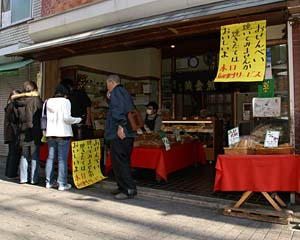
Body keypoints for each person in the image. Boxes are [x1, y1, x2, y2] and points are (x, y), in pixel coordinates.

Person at [105, 74, 137, 200]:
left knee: (120, 162)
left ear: (112, 82)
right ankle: (122, 186)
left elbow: (118, 111)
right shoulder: (124, 92)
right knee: (123, 161)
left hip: (119, 134)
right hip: (128, 134)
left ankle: (128, 189)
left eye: (107, 83)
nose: (107, 86)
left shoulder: (117, 92)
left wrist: (121, 126)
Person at [45, 83, 82, 191]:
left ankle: (49, 182)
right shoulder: (66, 102)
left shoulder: (49, 101)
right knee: (62, 159)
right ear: (65, 93)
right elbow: (67, 118)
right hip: (63, 133)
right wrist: (78, 119)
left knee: (50, 158)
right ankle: (62, 183)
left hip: (51, 133)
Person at [12, 81, 43, 184]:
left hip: (22, 131)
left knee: (24, 155)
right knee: (34, 156)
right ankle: (33, 179)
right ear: (34, 89)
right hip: (34, 131)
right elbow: (42, 114)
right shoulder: (36, 100)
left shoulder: (17, 101)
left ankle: (23, 178)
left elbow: (15, 117)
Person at [4, 90, 21, 179]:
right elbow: (16, 119)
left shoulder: (8, 105)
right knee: (14, 153)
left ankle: (8, 173)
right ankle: (12, 174)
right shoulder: (13, 106)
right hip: (13, 132)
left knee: (11, 153)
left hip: (9, 132)